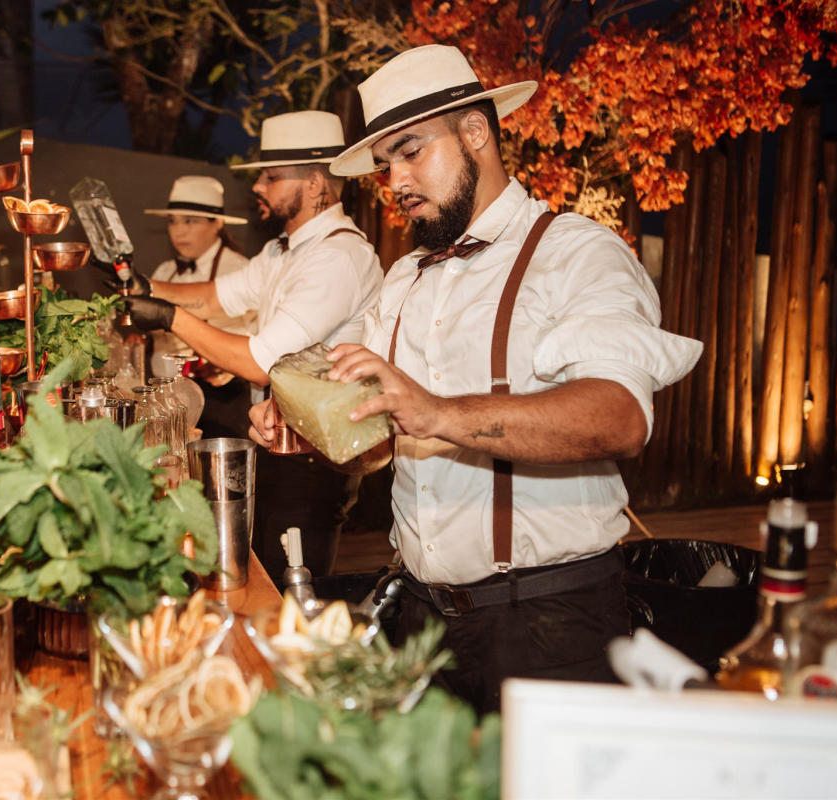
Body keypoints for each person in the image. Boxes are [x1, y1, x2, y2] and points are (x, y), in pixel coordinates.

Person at [249, 45, 703, 714]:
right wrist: (312, 431)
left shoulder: (576, 253)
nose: (397, 182)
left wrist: (438, 412)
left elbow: (619, 418)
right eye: (385, 166)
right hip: (423, 624)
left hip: (554, 623)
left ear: (476, 132)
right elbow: (378, 442)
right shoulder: (404, 280)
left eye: (411, 151)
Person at [104, 111, 383, 581]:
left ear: (316, 184)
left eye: (272, 177)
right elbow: (215, 295)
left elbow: (258, 362)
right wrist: (141, 286)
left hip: (314, 460)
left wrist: (171, 317)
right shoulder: (283, 250)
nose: (259, 186)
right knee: (250, 578)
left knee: (288, 595)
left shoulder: (338, 258)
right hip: (273, 441)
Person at [144, 175, 256, 439]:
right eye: (173, 222)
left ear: (217, 223)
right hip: (165, 400)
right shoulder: (165, 271)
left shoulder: (239, 270)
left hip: (220, 401)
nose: (178, 231)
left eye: (189, 221)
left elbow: (258, 337)